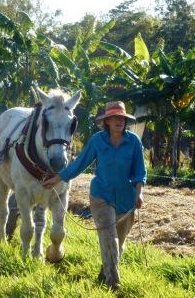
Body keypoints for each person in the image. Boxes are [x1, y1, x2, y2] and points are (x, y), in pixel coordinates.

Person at [43, 101, 147, 290]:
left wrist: (139, 193)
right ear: (106, 121)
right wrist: (57, 179)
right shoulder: (97, 141)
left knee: (119, 244)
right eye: (114, 117)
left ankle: (104, 273)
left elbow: (140, 171)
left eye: (122, 118)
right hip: (101, 196)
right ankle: (113, 286)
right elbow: (79, 164)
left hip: (127, 199)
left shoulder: (134, 142)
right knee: (110, 240)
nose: (119, 121)